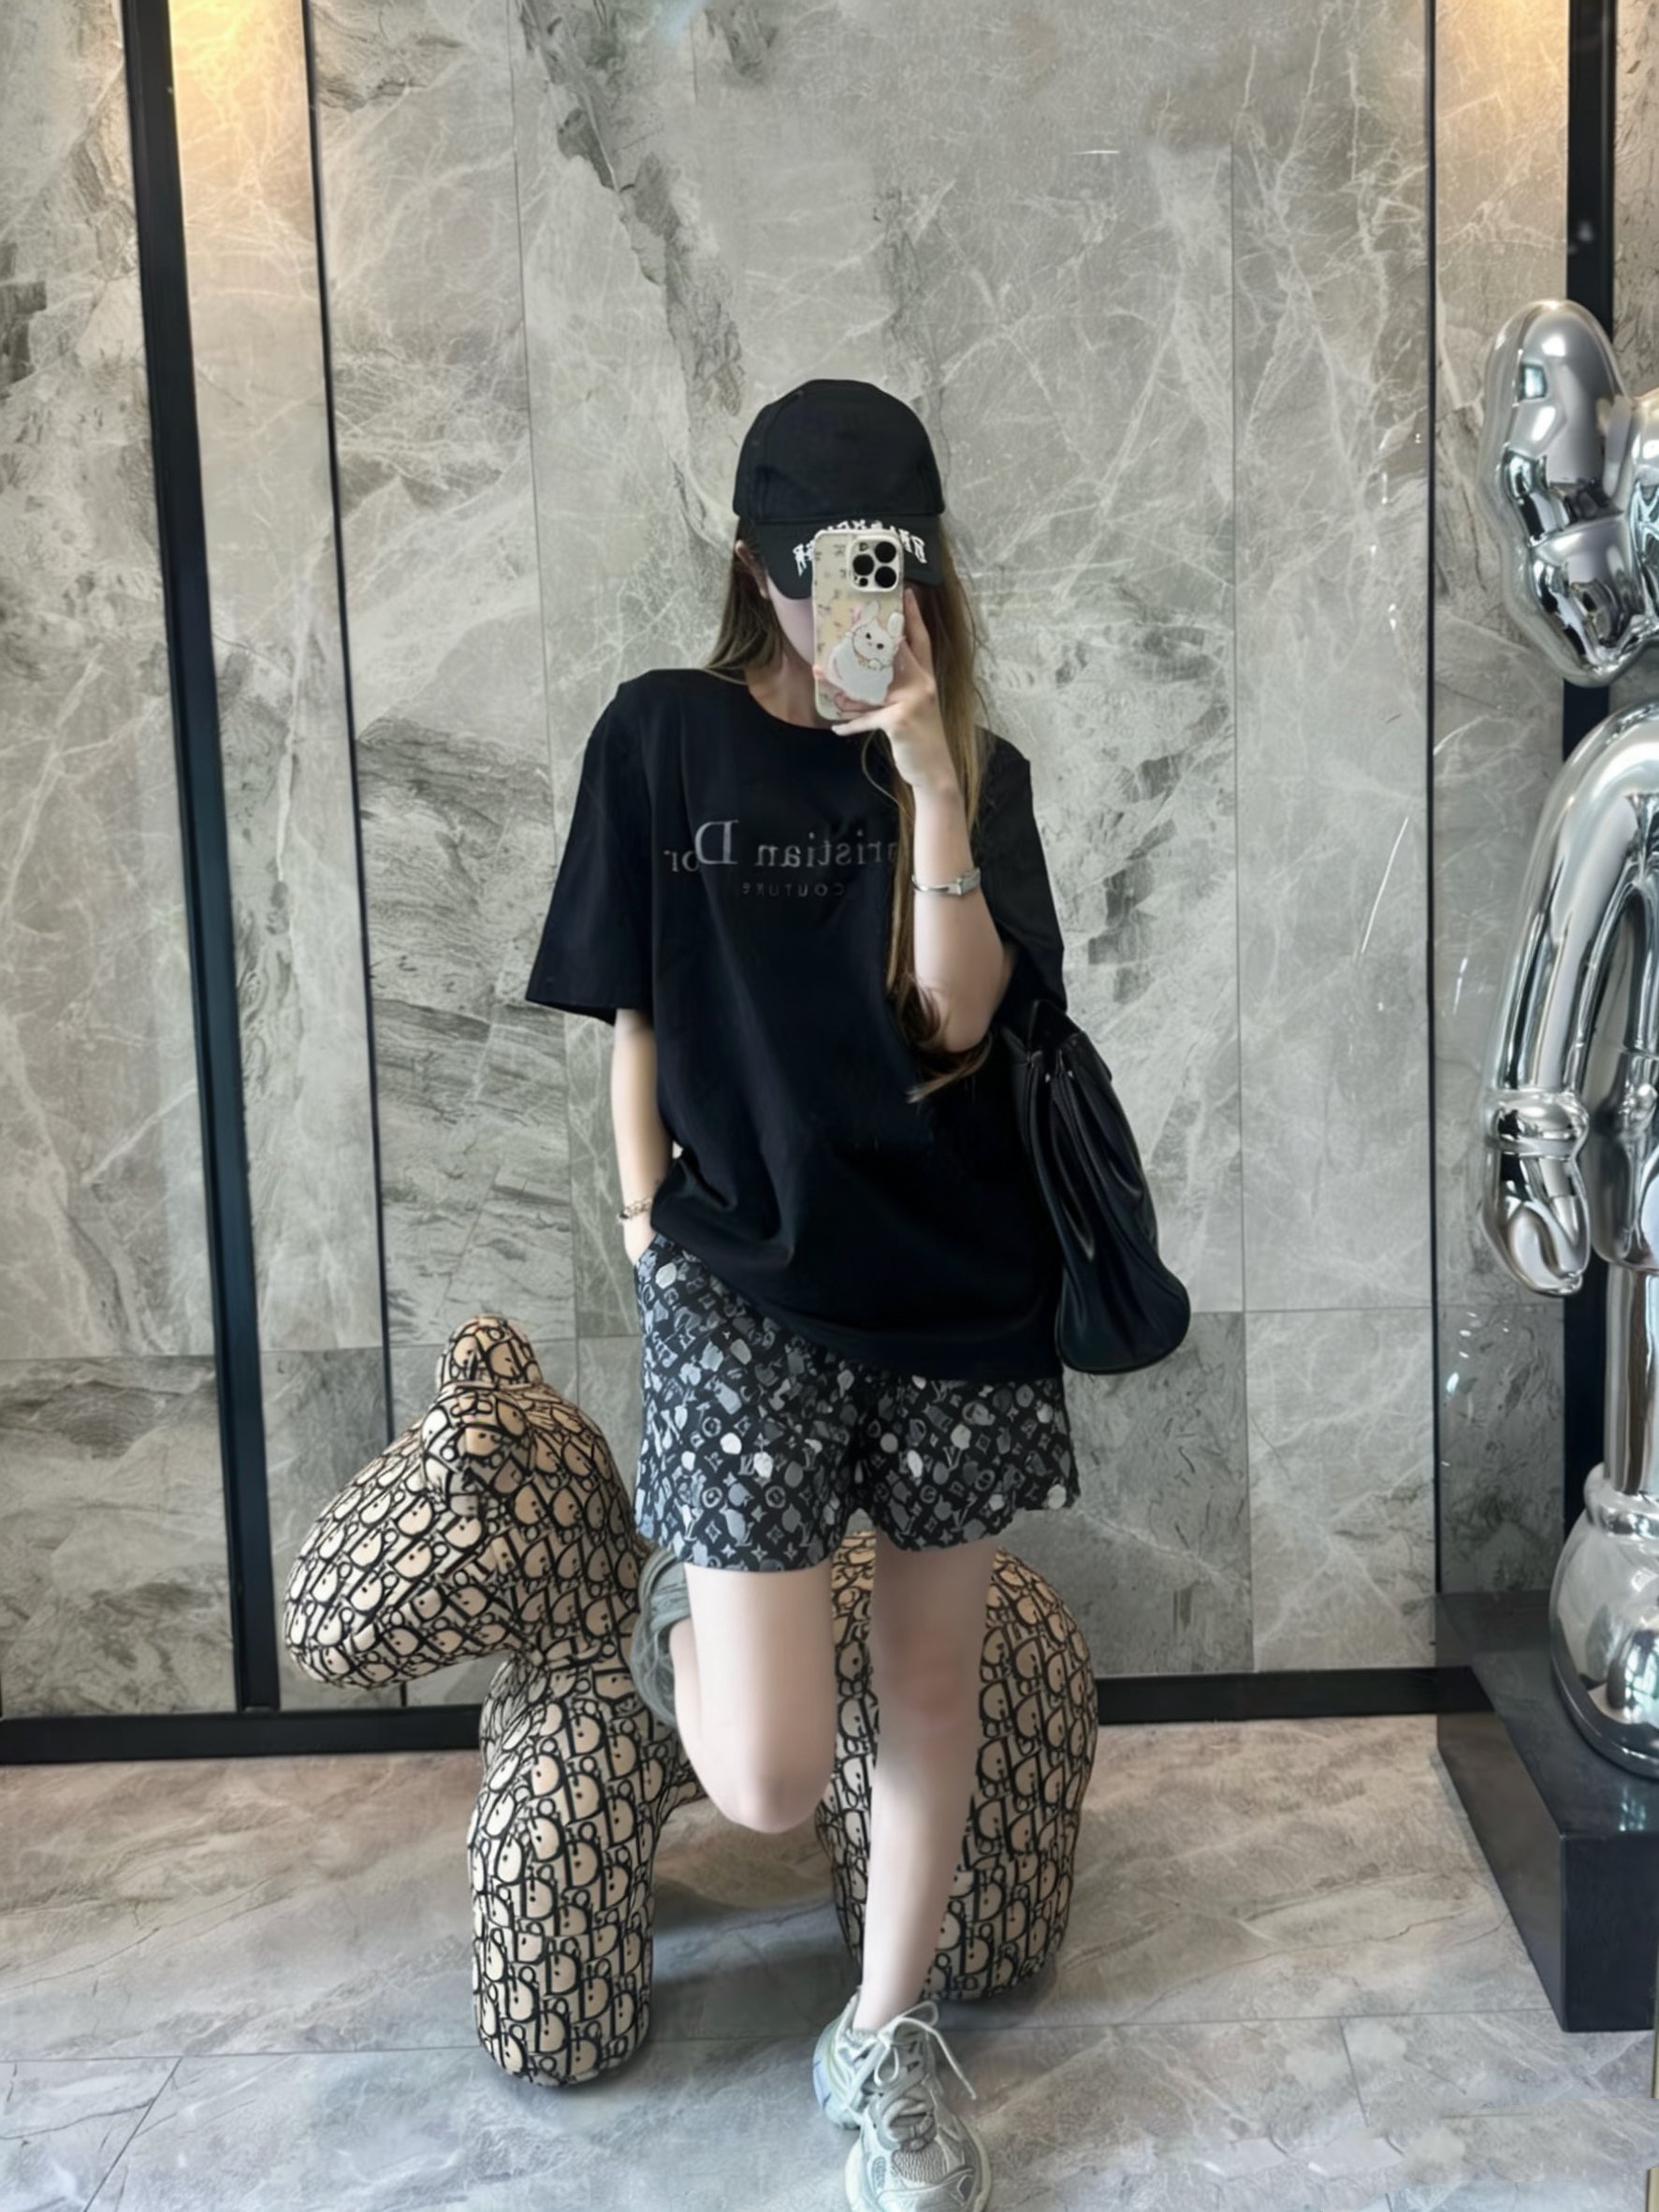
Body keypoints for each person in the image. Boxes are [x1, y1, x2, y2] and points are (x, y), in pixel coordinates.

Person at [525, 377, 1079, 2212]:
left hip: (952, 1277)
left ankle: (882, 2037)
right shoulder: (659, 739)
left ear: (914, 572)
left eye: (866, 572)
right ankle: (676, 1616)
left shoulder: (974, 774)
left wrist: (927, 779)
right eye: (797, 572)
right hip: (741, 1282)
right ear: (747, 562)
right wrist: (641, 1225)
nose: (826, 606)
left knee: (925, 1690)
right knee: (765, 1777)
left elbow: (956, 1023)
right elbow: (634, 1005)